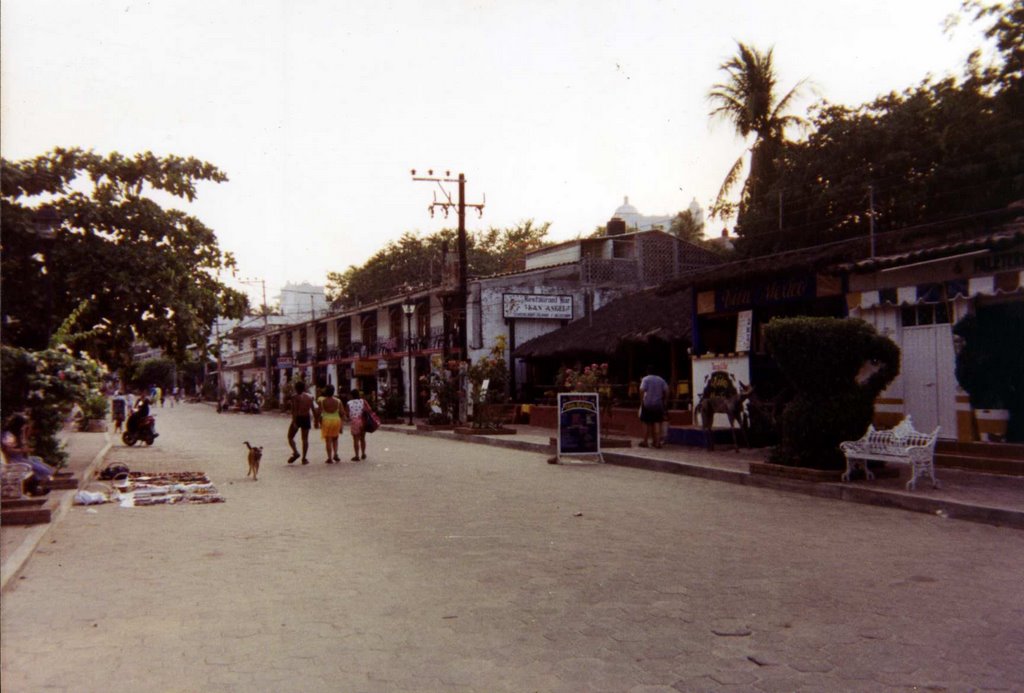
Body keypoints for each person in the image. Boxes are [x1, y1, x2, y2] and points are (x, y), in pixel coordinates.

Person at [2, 413, 55, 495]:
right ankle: (34, 488)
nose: (24, 428)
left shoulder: (18, 434)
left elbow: (24, 445)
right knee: (38, 469)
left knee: (44, 467)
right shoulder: (8, 435)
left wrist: (23, 434)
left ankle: (35, 487)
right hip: (13, 460)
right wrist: (22, 450)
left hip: (21, 458)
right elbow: (8, 450)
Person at [639, 364, 669, 448]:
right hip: (658, 404)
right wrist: (665, 401)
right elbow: (667, 390)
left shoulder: (646, 379)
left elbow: (641, 390)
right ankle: (657, 442)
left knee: (645, 422)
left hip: (647, 403)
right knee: (657, 422)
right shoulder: (661, 380)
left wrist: (642, 402)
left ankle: (645, 441)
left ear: (647, 371)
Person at [314, 384, 345, 464]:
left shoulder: (322, 401)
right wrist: (342, 425)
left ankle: (329, 458)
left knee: (328, 440)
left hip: (326, 421)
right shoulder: (338, 401)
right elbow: (342, 413)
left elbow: (318, 413)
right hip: (336, 421)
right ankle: (335, 454)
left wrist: (316, 422)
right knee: (335, 439)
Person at [287, 381, 315, 465]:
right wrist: (316, 420)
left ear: (296, 388)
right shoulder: (310, 397)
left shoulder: (295, 397)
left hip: (298, 418)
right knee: (305, 439)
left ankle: (296, 452)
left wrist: (294, 421)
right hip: (306, 417)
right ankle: (304, 458)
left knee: (290, 436)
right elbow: (313, 409)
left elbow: (294, 410)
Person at [346, 388, 372, 461]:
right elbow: (369, 409)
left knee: (355, 439)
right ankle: (363, 453)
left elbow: (347, 414)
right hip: (362, 420)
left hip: (354, 421)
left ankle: (357, 455)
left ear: (351, 395)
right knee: (362, 438)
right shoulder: (363, 401)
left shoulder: (349, 403)